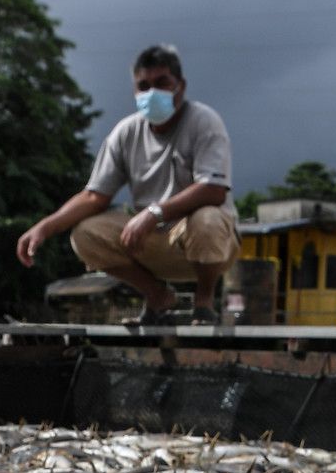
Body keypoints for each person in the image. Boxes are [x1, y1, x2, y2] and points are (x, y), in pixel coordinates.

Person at [16, 44, 239, 325]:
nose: (151, 93)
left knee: (207, 219)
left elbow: (214, 190)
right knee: (85, 233)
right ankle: (157, 296)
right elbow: (93, 196)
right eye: (143, 86)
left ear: (180, 86)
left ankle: (204, 303)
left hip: (206, 245)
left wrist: (153, 212)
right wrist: (44, 227)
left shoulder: (204, 121)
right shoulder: (126, 132)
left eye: (161, 83)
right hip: (152, 241)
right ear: (135, 91)